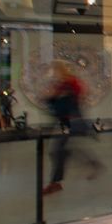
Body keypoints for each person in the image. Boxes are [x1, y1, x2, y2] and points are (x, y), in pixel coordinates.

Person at [43, 61, 101, 195]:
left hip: (72, 123)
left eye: (55, 70)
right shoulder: (66, 84)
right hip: (70, 122)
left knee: (59, 150)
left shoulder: (69, 83)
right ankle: (92, 164)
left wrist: (52, 96)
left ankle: (56, 183)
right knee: (63, 151)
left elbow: (59, 100)